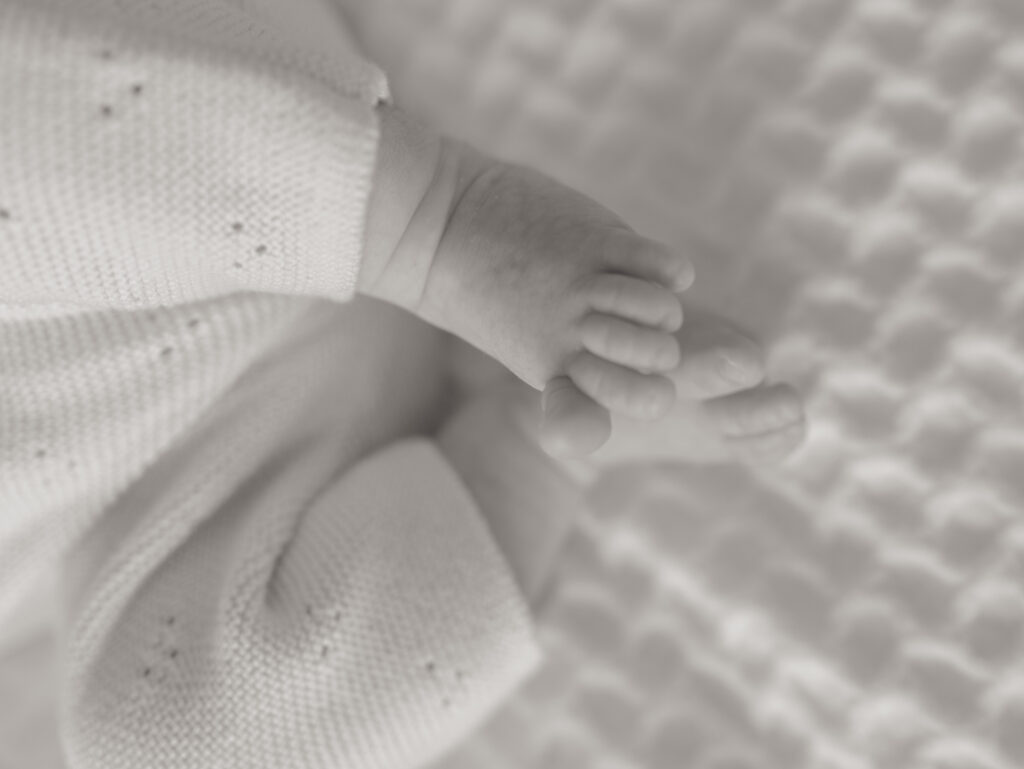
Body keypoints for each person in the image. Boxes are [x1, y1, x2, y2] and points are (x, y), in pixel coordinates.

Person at [0, 1, 805, 767]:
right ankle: (527, 449)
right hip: (175, 500)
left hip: (164, 158)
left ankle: (437, 219)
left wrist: (420, 226)